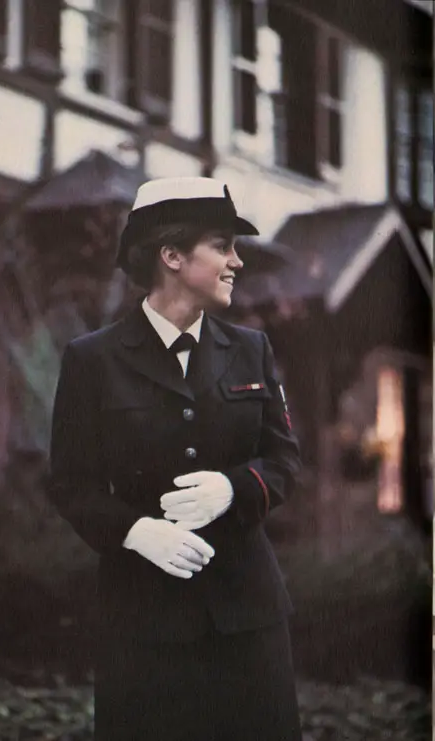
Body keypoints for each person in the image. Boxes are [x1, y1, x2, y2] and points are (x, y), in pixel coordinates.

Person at [48, 177, 302, 740]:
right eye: (223, 245)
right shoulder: (93, 361)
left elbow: (284, 459)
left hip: (249, 622)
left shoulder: (250, 350)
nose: (237, 262)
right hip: (143, 626)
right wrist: (137, 531)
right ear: (171, 255)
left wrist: (236, 489)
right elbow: (69, 483)